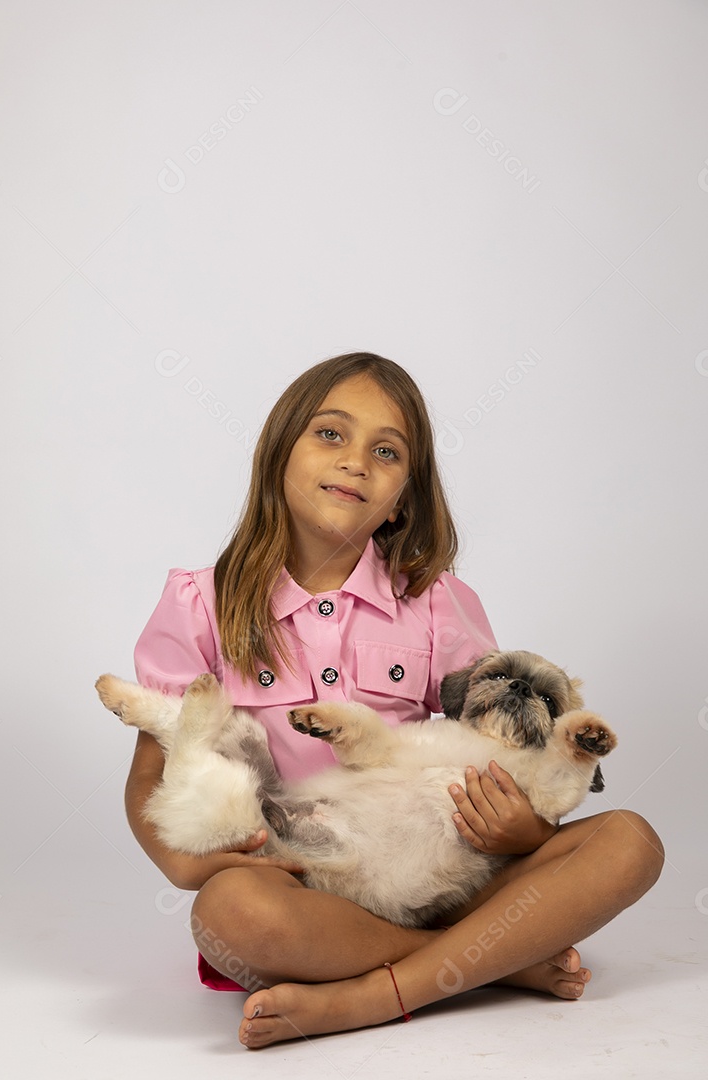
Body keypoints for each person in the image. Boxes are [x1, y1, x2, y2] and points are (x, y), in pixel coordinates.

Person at [125, 351, 664, 1049]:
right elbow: (149, 773)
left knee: (631, 843)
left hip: (444, 872)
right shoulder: (201, 604)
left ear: (403, 497)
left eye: (386, 451)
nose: (355, 461)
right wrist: (183, 861)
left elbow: (507, 751)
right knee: (233, 917)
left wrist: (525, 833)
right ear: (276, 454)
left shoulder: (437, 602)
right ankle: (490, 963)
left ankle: (373, 996)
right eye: (330, 434)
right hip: (316, 887)